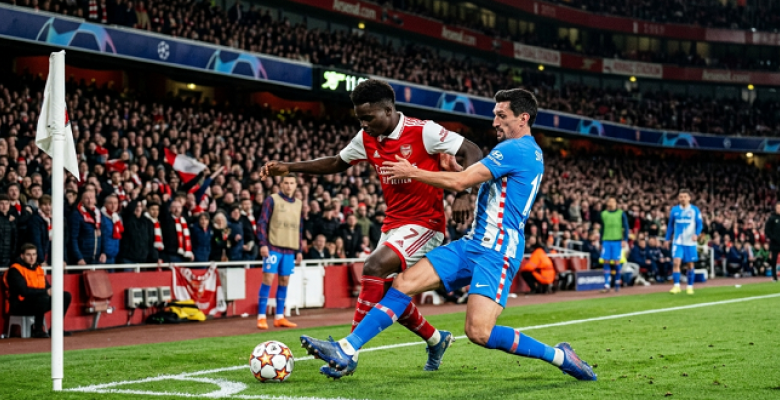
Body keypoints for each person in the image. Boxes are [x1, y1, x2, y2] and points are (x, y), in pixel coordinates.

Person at [299, 88, 596, 381]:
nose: (495, 122)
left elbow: (462, 182)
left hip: (498, 251)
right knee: (403, 283)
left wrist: (413, 171)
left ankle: (560, 356)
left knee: (479, 332)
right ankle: (347, 348)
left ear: (523, 118)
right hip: (472, 244)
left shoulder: (515, 150)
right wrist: (454, 171)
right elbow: (476, 182)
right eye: (495, 115)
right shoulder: (524, 151)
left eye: (501, 116)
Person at [262, 79, 482, 376]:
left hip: (426, 224)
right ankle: (435, 339)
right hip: (393, 224)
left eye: (368, 117)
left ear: (389, 110)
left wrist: (463, 193)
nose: (364, 124)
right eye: (360, 119)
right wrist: (290, 167)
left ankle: (347, 352)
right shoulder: (366, 137)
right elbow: (336, 162)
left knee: (374, 266)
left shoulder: (423, 131)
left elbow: (472, 150)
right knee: (389, 292)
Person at [255, 174, 303, 330]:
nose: (289, 186)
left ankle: (279, 317)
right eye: (286, 183)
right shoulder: (272, 200)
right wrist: (263, 244)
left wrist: (299, 250)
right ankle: (261, 317)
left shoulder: (299, 204)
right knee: (268, 279)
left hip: (289, 248)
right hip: (273, 246)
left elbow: (299, 228)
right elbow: (262, 222)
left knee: (284, 281)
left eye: (291, 183)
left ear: (295, 185)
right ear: (281, 184)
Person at [2, 244, 71, 338]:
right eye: (28, 255)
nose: (32, 258)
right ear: (22, 256)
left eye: (34, 254)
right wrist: (45, 292)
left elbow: (46, 286)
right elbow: (23, 291)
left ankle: (56, 328)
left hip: (37, 301)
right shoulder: (15, 270)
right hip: (19, 304)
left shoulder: (38, 269)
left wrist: (52, 291)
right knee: (42, 298)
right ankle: (37, 329)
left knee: (65, 296)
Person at [665, 189, 703, 294]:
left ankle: (690, 286)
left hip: (690, 242)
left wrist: (696, 234)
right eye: (681, 197)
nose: (683, 199)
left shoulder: (694, 210)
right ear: (678, 198)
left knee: (690, 264)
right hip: (678, 241)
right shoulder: (674, 210)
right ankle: (676, 286)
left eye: (685, 197)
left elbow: (700, 224)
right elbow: (670, 226)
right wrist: (667, 239)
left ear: (689, 198)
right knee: (676, 262)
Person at [599, 196, 629, 292]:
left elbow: (626, 227)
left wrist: (625, 239)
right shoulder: (603, 214)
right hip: (606, 240)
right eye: (609, 201)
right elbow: (602, 228)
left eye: (613, 201)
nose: (611, 203)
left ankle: (617, 282)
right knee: (606, 261)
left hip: (617, 240)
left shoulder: (621, 213)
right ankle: (606, 284)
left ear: (616, 203)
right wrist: (600, 242)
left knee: (616, 262)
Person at [118, 198, 160, 265]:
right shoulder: (126, 220)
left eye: (140, 206)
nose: (138, 208)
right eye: (136, 206)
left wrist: (155, 257)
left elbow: (150, 241)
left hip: (143, 259)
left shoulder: (147, 222)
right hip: (128, 258)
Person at [70, 190, 103, 265]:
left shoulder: (98, 214)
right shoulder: (77, 215)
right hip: (82, 258)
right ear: (82, 200)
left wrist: (103, 252)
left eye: (91, 198)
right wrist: (79, 257)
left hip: (96, 258)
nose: (89, 201)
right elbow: (73, 238)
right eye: (87, 198)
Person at [100, 194, 122, 265]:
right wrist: (102, 252)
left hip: (113, 256)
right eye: (110, 203)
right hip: (102, 257)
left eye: (115, 203)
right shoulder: (101, 217)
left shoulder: (117, 218)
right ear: (105, 204)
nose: (113, 206)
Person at [763, 201, 780, 282]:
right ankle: (774, 276)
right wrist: (773, 237)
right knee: (774, 260)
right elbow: (767, 230)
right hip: (775, 243)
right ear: (775, 208)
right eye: (778, 208)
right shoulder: (772, 218)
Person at [0, 193, 17, 267]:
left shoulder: (12, 219)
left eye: (6, 204)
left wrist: (13, 254)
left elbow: (15, 239)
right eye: (1, 204)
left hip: (8, 257)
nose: (4, 206)